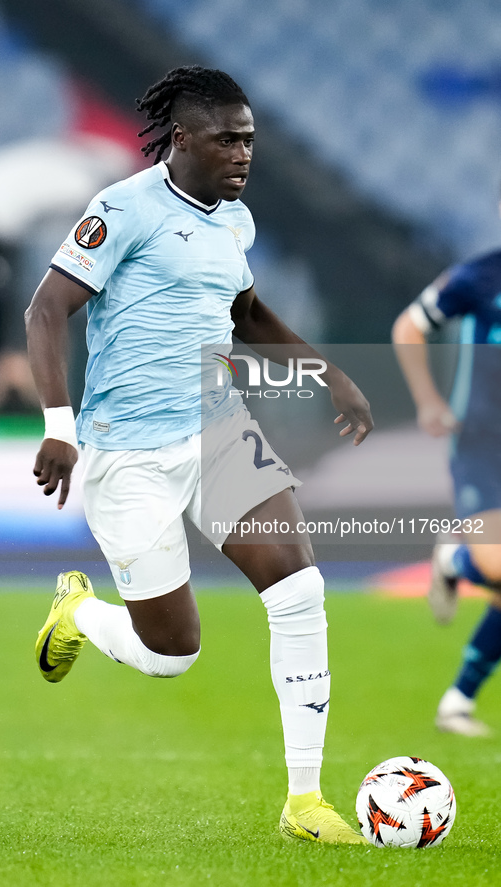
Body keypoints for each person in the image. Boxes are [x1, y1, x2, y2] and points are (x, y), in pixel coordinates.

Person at [25, 66, 373, 843]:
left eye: (249, 140)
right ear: (182, 140)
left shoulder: (233, 222)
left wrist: (331, 374)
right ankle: (78, 611)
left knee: (299, 588)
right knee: (171, 653)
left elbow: (245, 310)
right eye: (227, 140)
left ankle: (305, 802)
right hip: (130, 455)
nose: (243, 154)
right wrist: (59, 424)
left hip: (216, 430)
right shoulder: (123, 208)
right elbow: (46, 307)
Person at [392, 250, 501, 737]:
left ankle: (457, 701)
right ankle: (456, 556)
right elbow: (409, 327)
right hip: (483, 443)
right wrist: (429, 401)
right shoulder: (481, 276)